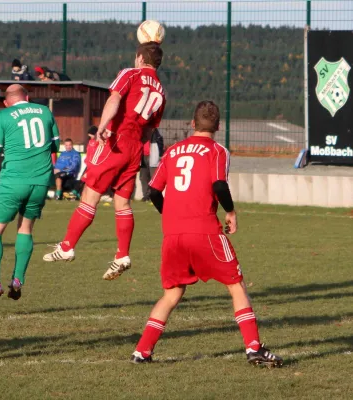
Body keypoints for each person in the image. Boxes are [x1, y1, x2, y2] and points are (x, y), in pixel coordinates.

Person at [130, 101, 283, 368]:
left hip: (173, 235)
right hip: (204, 232)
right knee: (237, 286)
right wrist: (231, 212)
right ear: (219, 126)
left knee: (172, 294)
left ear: (192, 124)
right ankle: (253, 348)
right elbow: (219, 184)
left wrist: (169, 215)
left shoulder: (173, 151)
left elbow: (153, 191)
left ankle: (142, 351)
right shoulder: (217, 150)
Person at [43, 42, 166, 281]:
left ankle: (67, 246)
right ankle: (122, 255)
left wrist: (102, 127)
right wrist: (138, 150)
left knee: (90, 195)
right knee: (122, 203)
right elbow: (151, 129)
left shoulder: (130, 73)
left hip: (115, 140)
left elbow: (115, 99)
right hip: (134, 148)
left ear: (140, 59)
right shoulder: (160, 89)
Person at [0, 84, 60, 307]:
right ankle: (17, 279)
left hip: (14, 181)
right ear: (27, 97)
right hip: (41, 182)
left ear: (6, 102)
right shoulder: (44, 112)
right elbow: (56, 146)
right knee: (25, 229)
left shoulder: (3, 116)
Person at [139, 127, 164, 201]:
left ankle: (155, 195)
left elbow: (160, 143)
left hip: (153, 155)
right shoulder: (140, 131)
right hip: (142, 156)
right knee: (143, 177)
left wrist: (160, 155)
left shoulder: (155, 132)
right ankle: (146, 195)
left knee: (153, 177)